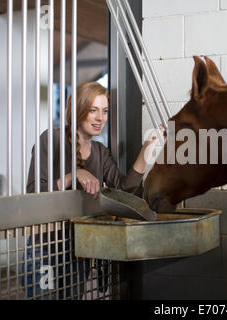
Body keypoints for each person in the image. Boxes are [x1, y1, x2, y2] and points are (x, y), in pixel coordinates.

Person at [21, 81, 162, 299]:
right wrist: (73, 174)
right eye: (93, 110)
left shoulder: (100, 151)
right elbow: (34, 193)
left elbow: (124, 189)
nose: (100, 118)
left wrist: (147, 148)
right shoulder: (51, 140)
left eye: (104, 111)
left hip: (79, 251)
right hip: (44, 250)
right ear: (78, 111)